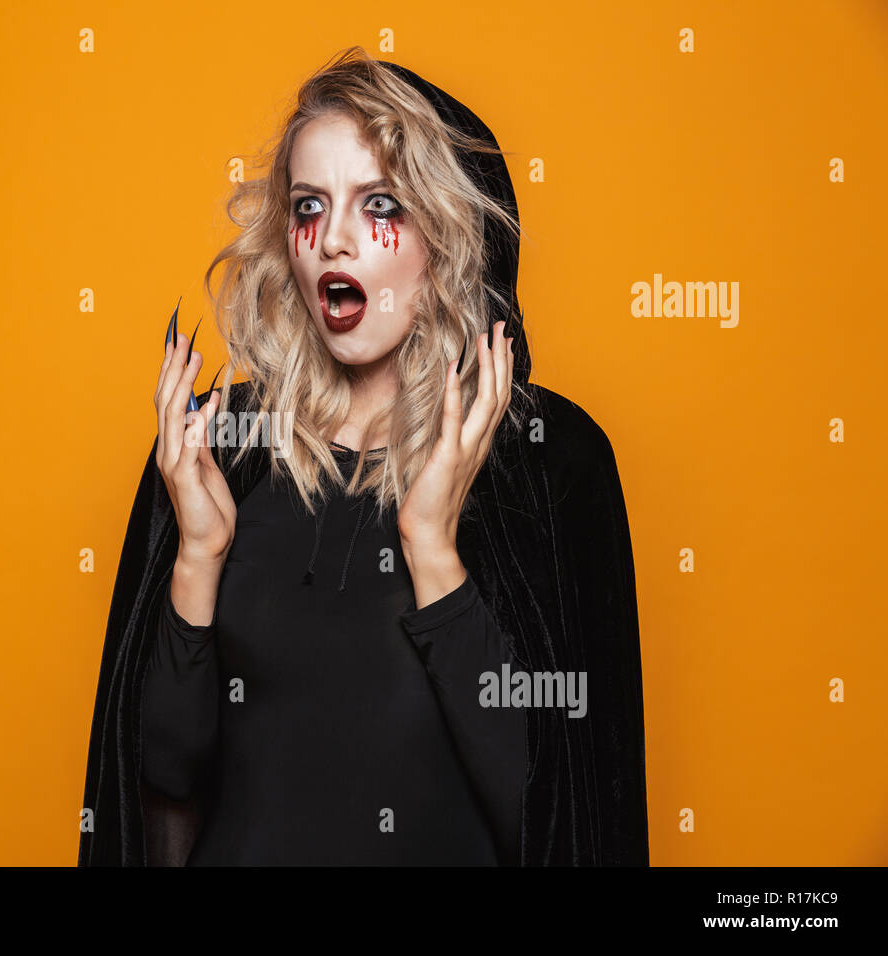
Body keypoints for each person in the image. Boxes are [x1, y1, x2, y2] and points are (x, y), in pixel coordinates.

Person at [78, 47, 649, 866]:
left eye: (379, 205)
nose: (334, 241)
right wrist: (199, 552)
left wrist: (430, 546)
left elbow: (550, 811)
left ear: (447, 234)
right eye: (309, 206)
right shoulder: (224, 447)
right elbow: (163, 778)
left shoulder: (550, 463)